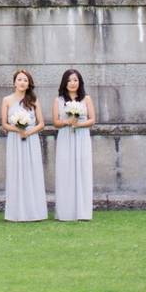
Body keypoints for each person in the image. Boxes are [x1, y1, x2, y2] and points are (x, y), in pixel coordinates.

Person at [2, 69, 47, 222]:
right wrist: (18, 129)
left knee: (32, 173)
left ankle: (34, 211)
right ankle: (16, 213)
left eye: (25, 80)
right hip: (14, 139)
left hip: (31, 138)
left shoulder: (33, 100)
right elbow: (4, 124)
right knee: (16, 173)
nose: (22, 82)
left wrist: (28, 132)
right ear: (15, 82)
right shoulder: (7, 100)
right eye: (20, 79)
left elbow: (41, 123)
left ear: (29, 84)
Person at [53, 68, 96, 221]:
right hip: (65, 136)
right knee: (66, 171)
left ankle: (83, 212)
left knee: (82, 170)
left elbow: (92, 120)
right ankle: (66, 212)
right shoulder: (58, 100)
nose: (72, 83)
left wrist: (79, 125)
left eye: (75, 80)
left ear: (80, 82)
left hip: (82, 136)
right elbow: (56, 123)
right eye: (69, 80)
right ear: (65, 83)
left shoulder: (86, 99)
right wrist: (67, 122)